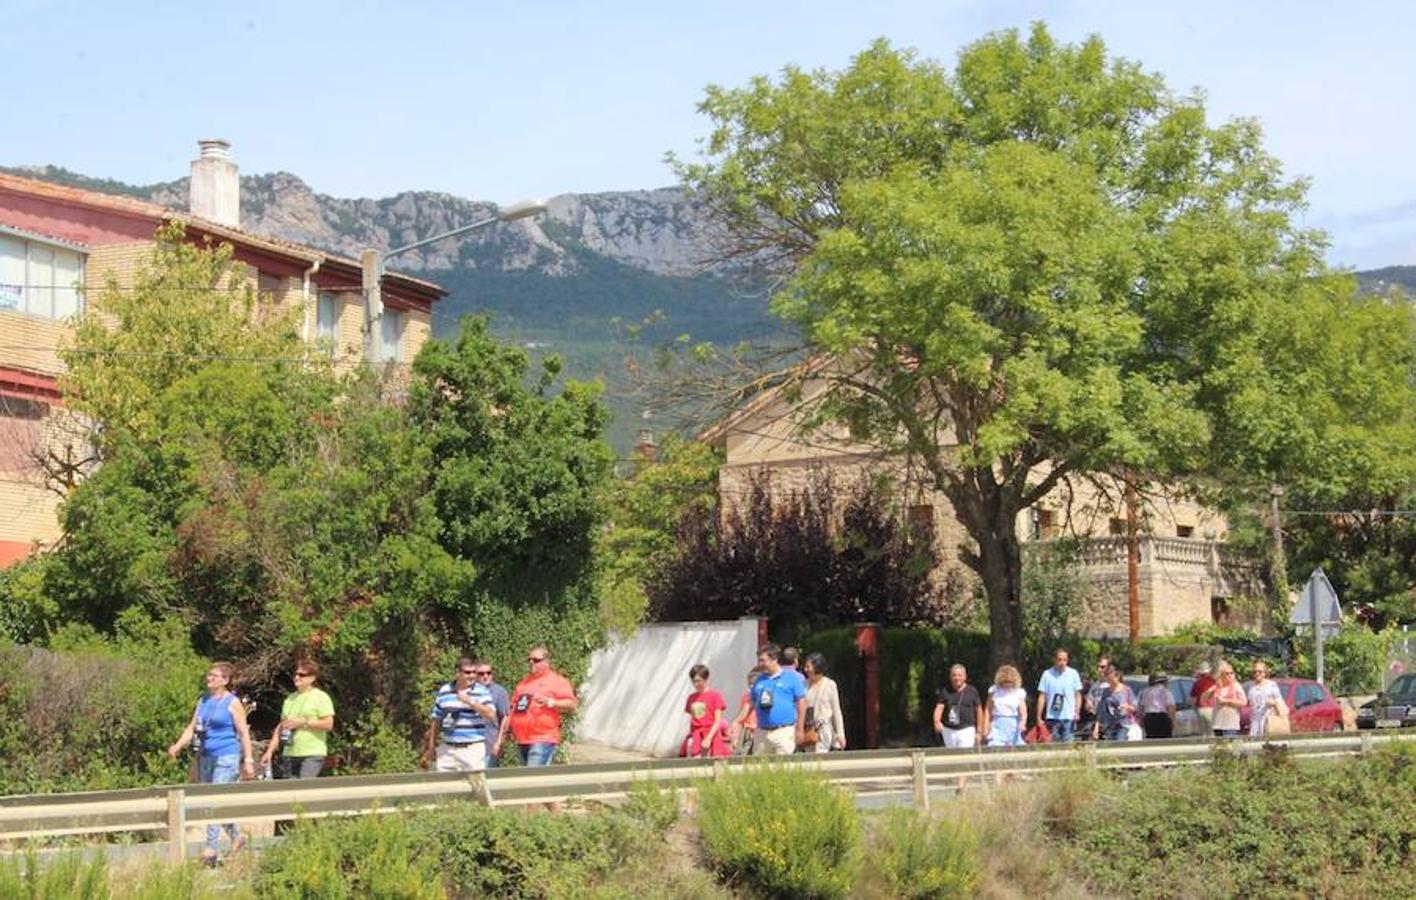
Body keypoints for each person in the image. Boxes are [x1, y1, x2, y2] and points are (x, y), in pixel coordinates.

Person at [167, 661, 256, 865]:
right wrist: (177, 746)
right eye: (209, 675)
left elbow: (243, 733)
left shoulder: (232, 702)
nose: (209, 678)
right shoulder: (204, 700)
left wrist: (248, 760)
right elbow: (192, 727)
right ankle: (237, 836)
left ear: (225, 680)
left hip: (226, 757)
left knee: (214, 800)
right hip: (206, 755)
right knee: (211, 802)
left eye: (214, 676)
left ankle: (211, 848)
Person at [259, 658, 334, 780]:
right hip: (290, 752)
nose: (297, 677)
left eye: (302, 675)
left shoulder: (321, 697)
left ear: (312, 678)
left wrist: (303, 723)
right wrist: (270, 751)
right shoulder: (290, 699)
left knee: (304, 787)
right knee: (292, 792)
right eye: (296, 674)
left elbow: (328, 724)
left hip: (312, 752)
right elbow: (281, 726)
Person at [422, 656, 498, 772]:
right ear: (457, 673)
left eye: (474, 672)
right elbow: (436, 720)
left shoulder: (481, 691)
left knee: (475, 787)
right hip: (448, 749)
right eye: (467, 672)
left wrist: (470, 701)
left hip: (471, 749)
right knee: (445, 786)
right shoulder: (445, 691)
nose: (472, 676)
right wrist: (431, 746)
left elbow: (491, 714)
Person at [508, 645, 578, 767]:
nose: (531, 663)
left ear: (546, 662)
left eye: (536, 660)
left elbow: (572, 705)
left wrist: (551, 702)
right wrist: (508, 730)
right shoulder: (523, 683)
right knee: (529, 780)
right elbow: (513, 708)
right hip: (522, 739)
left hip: (543, 738)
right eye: (529, 660)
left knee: (532, 779)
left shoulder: (557, 681)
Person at [750, 643, 807, 755]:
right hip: (762, 733)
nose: (760, 664)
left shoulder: (791, 678)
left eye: (763, 660)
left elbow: (802, 702)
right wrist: (737, 722)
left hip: (784, 732)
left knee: (784, 768)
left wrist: (800, 728)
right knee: (760, 769)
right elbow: (751, 702)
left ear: (774, 659)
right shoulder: (759, 680)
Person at [680, 664, 730, 758]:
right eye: (693, 681)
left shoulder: (715, 696)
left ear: (706, 679)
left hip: (710, 735)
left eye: (698, 681)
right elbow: (694, 719)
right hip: (696, 737)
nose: (696, 684)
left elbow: (717, 721)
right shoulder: (691, 698)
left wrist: (709, 738)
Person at [1036, 648, 1083, 743]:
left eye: (1065, 660)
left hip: (1069, 717)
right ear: (1054, 660)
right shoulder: (1047, 674)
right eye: (1060, 660)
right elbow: (1042, 696)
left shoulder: (1073, 673)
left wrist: (1077, 711)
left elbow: (1077, 695)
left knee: (1069, 746)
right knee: (1053, 746)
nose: (1062, 663)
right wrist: (1038, 717)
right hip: (1052, 717)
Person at [802, 652, 845, 752]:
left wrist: (840, 734)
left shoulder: (830, 685)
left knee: (821, 756)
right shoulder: (803, 684)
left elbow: (836, 711)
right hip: (808, 728)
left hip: (823, 728)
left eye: (808, 667)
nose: (806, 670)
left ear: (817, 667)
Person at [933, 664, 983, 749]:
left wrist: (979, 730)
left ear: (965, 677)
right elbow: (939, 707)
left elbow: (979, 710)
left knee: (965, 755)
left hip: (966, 729)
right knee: (951, 756)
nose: (957, 678)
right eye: (954, 675)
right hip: (949, 730)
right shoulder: (945, 691)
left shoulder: (972, 691)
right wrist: (936, 721)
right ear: (950, 677)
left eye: (960, 675)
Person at [473, 661, 510, 768]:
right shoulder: (469, 691)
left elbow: (505, 717)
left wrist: (499, 742)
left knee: (487, 778)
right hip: (471, 744)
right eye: (481, 673)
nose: (485, 676)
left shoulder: (499, 692)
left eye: (488, 673)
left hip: (490, 744)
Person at [985, 665, 1027, 747]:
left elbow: (1023, 713)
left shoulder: (1019, 693)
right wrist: (986, 726)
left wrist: (1022, 723)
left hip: (1013, 725)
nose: (1007, 685)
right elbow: (987, 710)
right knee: (995, 746)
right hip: (997, 724)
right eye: (1005, 682)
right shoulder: (994, 691)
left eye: (1010, 682)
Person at [727, 665, 765, 755]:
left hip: (759, 730)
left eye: (753, 684)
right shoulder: (746, 697)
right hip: (747, 730)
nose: (751, 687)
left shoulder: (764, 697)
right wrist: (735, 738)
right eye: (749, 684)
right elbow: (742, 716)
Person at [1203, 661, 1246, 737]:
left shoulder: (1236, 686)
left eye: (1231, 673)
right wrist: (1211, 689)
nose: (1229, 675)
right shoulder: (1217, 687)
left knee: (1230, 746)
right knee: (1219, 747)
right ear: (1221, 675)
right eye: (1227, 673)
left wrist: (1227, 701)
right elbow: (1204, 698)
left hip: (1230, 724)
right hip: (1217, 724)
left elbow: (1244, 702)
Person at [1095, 665, 1138, 741]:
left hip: (1124, 724)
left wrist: (1127, 707)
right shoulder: (1105, 692)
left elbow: (1135, 708)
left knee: (1119, 742)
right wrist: (1096, 728)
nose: (1110, 682)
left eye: (1112, 679)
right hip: (1109, 727)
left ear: (1117, 677)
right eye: (1108, 680)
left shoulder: (1127, 690)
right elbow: (1101, 712)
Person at [1247, 662, 1288, 737]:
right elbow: (1251, 705)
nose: (1257, 673)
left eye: (1260, 671)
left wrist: (1273, 703)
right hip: (1255, 722)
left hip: (1269, 720)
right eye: (1255, 672)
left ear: (1265, 673)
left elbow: (1280, 702)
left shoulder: (1271, 685)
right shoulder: (1251, 687)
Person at [1139, 672, 1176, 739]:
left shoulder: (1146, 691)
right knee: (1164, 740)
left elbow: (1142, 707)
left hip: (1149, 718)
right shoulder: (1165, 691)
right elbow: (1171, 708)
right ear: (1165, 682)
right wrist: (1172, 721)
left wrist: (1141, 720)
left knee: (1152, 740)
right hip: (1162, 718)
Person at [1190, 661, 1217, 730]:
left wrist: (1195, 709)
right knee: (1211, 731)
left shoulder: (1197, 683)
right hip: (1211, 708)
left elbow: (1192, 699)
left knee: (1203, 732)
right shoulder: (1213, 682)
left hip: (1200, 709)